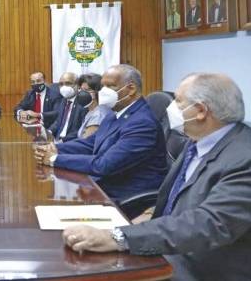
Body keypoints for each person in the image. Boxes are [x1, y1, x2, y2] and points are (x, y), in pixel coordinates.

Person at [60, 73, 251, 281]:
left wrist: (118, 237)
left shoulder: (244, 157)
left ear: (201, 111)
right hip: (165, 246)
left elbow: (209, 223)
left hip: (200, 268)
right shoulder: (197, 141)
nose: (170, 107)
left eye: (178, 100)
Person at [34, 64, 167, 204]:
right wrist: (55, 149)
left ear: (131, 89)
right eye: (103, 86)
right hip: (103, 185)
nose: (103, 91)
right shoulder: (115, 114)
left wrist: (54, 159)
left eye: (110, 86)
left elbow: (104, 165)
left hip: (125, 194)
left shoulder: (142, 123)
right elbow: (90, 143)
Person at [49, 72, 88, 142]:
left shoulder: (83, 103)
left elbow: (83, 129)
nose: (64, 87)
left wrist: (63, 141)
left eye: (68, 83)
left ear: (78, 85)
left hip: (72, 142)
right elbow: (58, 122)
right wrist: (49, 132)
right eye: (61, 84)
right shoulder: (63, 100)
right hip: (57, 139)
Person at [76, 73, 112, 139]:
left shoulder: (98, 114)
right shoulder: (90, 110)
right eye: (81, 90)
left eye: (88, 90)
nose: (83, 93)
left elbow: (86, 141)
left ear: (98, 92)